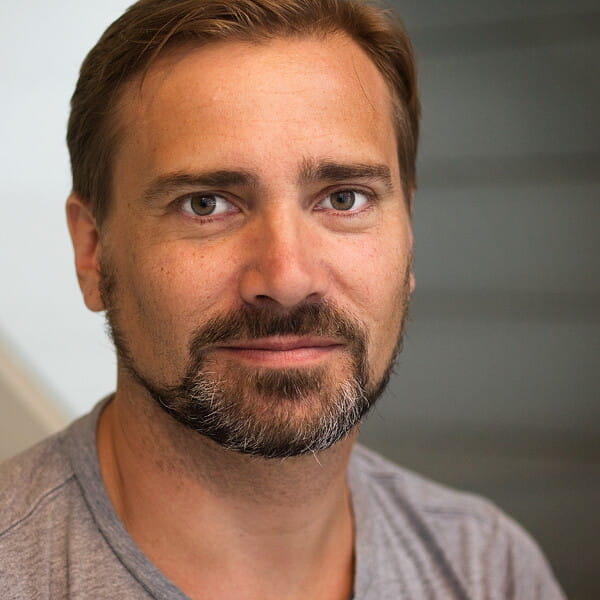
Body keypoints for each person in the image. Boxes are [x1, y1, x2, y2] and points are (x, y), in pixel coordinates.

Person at [0, 1, 565, 598]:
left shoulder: (487, 568)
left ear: (408, 233)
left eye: (344, 199)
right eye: (205, 204)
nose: (288, 278)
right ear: (92, 251)